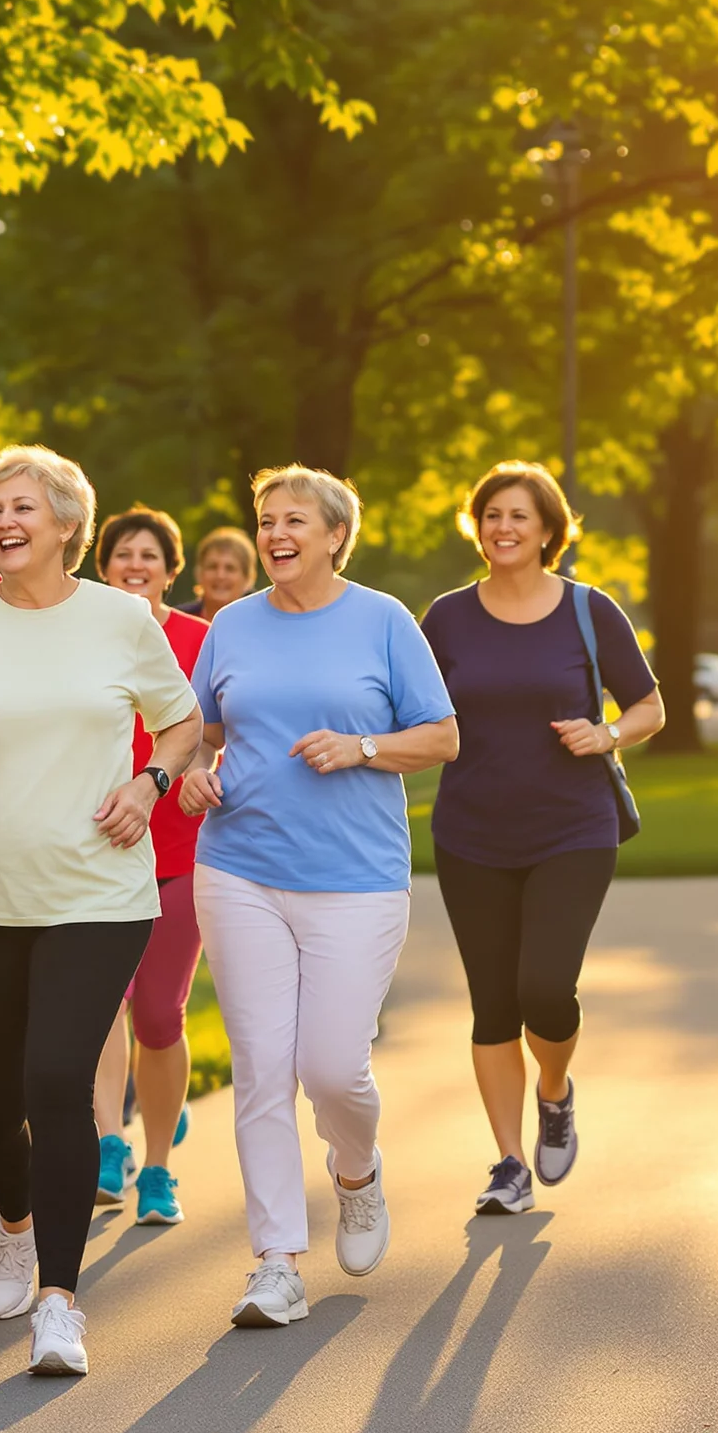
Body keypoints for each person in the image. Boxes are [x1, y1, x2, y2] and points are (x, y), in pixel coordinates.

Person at [0, 445, 202, 1376]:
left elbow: (182, 721)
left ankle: (59, 1303)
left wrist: (149, 785)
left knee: (56, 1079)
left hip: (97, 894)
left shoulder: (121, 619)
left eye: (20, 506)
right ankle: (16, 1226)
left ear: (68, 523)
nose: (1, 521)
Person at [181, 466, 456, 1329]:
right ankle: (276, 1263)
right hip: (240, 868)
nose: (275, 534)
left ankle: (357, 1172)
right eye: (266, 520)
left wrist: (362, 747)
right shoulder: (233, 625)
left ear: (337, 535)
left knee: (333, 1068)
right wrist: (193, 774)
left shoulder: (384, 620)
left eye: (295, 520)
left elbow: (442, 737)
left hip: (357, 878)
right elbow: (202, 733)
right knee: (262, 1069)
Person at [421, 462, 665, 1215]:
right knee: (493, 1004)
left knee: (545, 989)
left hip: (573, 828)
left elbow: (649, 706)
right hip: (470, 832)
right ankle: (509, 1165)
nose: (503, 527)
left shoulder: (589, 611)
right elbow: (413, 710)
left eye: (519, 515)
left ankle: (554, 1090)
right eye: (492, 514)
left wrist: (607, 733)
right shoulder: (448, 618)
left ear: (549, 528)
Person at [89, 506, 208, 1228]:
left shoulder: (199, 638)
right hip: (100, 848)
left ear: (170, 570)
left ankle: (159, 1167)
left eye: (149, 556)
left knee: (161, 1016)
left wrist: (207, 771)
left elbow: (223, 729)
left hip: (179, 852)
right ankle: (110, 1144)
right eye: (122, 555)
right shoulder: (81, 634)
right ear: (103, 568)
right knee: (104, 1000)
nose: (135, 566)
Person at [178, 526, 258, 622]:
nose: (220, 575)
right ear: (198, 573)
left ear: (248, 578)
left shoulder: (262, 623)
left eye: (230, 568)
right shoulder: (178, 621)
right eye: (212, 567)